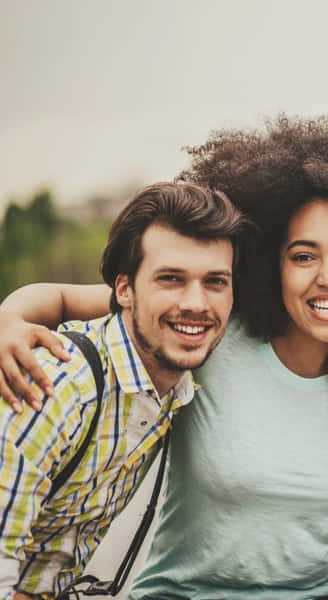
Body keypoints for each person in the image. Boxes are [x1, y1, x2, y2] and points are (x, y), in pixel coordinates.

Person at [0, 103, 328, 598]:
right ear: (268, 264)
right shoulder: (207, 329)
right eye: (303, 255)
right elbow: (67, 299)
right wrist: (6, 320)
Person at [0, 182, 247, 598]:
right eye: (171, 278)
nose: (196, 303)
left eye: (215, 281)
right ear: (123, 290)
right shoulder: (54, 386)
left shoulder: (165, 378)